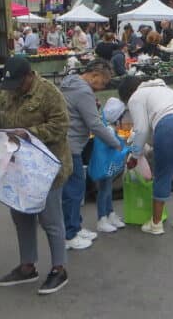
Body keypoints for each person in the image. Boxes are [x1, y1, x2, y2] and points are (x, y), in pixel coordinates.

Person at [0, 56, 72, 295]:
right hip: (18, 167)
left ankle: (60, 269)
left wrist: (30, 134)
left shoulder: (48, 93)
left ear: (29, 76)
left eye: (17, 83)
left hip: (46, 168)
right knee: (21, 216)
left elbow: (61, 126)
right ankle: (27, 266)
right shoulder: (10, 92)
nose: (13, 88)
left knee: (50, 220)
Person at [119, 75, 173, 235]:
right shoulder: (162, 88)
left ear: (127, 94)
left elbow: (141, 130)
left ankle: (156, 224)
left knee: (163, 173)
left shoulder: (136, 97)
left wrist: (135, 156)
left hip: (170, 125)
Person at [60, 61, 123, 243]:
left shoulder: (69, 83)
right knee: (74, 190)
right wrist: (115, 143)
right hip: (71, 146)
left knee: (73, 189)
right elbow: (94, 124)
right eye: (102, 82)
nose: (101, 87)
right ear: (94, 75)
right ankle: (70, 236)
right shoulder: (84, 91)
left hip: (67, 143)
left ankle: (75, 227)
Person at [93, 98, 129, 232]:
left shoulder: (107, 126)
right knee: (104, 191)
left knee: (107, 189)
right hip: (105, 165)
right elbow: (116, 144)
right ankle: (102, 219)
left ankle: (110, 214)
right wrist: (128, 149)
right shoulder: (108, 129)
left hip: (106, 164)